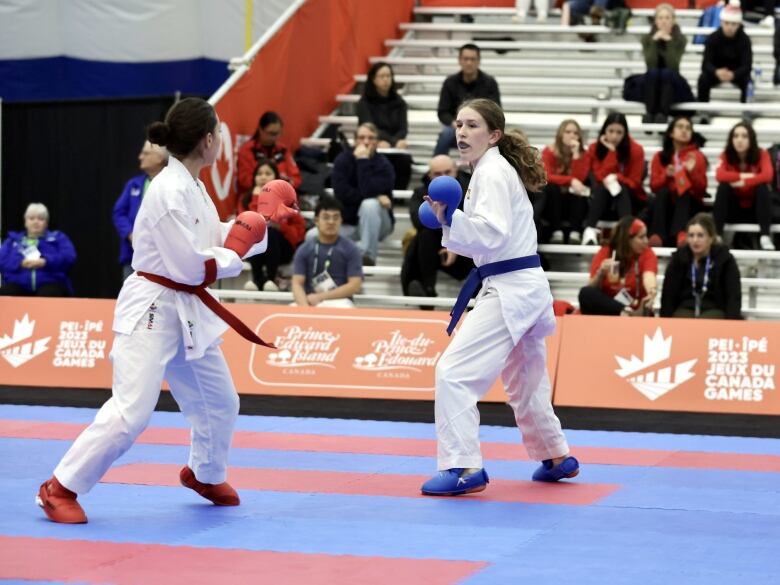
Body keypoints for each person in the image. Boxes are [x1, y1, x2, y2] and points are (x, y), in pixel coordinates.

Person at [36, 97, 271, 524]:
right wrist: (236, 255)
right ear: (207, 140)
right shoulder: (167, 189)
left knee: (221, 401)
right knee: (132, 411)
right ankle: (59, 486)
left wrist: (255, 225)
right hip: (153, 306)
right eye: (217, 131)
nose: (219, 137)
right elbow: (191, 265)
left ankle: (204, 473)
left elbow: (213, 235)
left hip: (186, 310)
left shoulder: (193, 185)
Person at [420, 98, 579, 497]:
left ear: (493, 135)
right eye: (458, 125)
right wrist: (448, 220)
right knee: (526, 380)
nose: (461, 132)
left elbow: (492, 234)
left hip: (510, 287)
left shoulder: (491, 171)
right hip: (522, 285)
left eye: (472, 125)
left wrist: (449, 219)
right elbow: (488, 236)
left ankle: (462, 466)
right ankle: (556, 455)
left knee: (453, 372)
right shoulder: (488, 171)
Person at [401, 155, 474, 300]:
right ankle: (427, 289)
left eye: (447, 172)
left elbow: (475, 222)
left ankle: (476, 293)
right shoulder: (421, 193)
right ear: (429, 175)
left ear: (456, 171)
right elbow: (418, 221)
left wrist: (454, 244)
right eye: (438, 174)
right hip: (434, 250)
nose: (443, 177)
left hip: (468, 248)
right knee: (423, 236)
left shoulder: (471, 190)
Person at [330, 123, 395, 266]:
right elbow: (342, 194)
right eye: (361, 137)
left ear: (377, 142)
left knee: (370, 205)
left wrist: (363, 161)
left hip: (379, 224)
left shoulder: (384, 165)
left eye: (371, 138)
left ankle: (368, 256)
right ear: (355, 141)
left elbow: (368, 191)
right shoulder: (342, 161)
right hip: (351, 222)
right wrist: (376, 196)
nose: (366, 142)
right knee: (312, 235)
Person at [660, 213, 742, 319]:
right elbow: (668, 295)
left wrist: (731, 325)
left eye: (700, 235)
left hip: (714, 309)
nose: (695, 240)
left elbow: (733, 295)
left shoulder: (725, 259)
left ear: (711, 238)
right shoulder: (679, 259)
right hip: (685, 309)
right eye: (691, 235)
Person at [581, 113, 646, 245]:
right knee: (606, 186)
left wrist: (618, 177)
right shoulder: (594, 148)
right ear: (604, 131)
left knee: (616, 185)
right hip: (602, 199)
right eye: (611, 131)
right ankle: (589, 230)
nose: (614, 136)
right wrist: (612, 152)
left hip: (630, 199)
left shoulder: (637, 150)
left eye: (619, 132)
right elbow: (598, 178)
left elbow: (635, 183)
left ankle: (626, 232)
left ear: (625, 133)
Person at [242, 158, 305, 291]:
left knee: (271, 233)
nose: (263, 177)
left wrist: (281, 227)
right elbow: (246, 225)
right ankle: (257, 280)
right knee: (259, 233)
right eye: (259, 174)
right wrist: (258, 199)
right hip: (256, 249)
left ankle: (271, 279)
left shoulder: (289, 199)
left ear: (276, 177)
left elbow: (298, 233)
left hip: (283, 248)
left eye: (268, 173)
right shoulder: (247, 198)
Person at [713, 121, 775, 250]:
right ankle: (717, 235)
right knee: (723, 187)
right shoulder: (726, 155)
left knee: (762, 187)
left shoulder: (761, 153)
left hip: (755, 210)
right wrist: (745, 176)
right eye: (735, 136)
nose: (739, 140)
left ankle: (765, 235)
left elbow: (768, 176)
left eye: (744, 136)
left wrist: (744, 183)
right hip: (734, 209)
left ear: (751, 139)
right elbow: (719, 176)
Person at [647, 116, 708, 248]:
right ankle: (657, 236)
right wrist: (666, 176)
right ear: (671, 133)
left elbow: (701, 190)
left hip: (689, 206)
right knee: (662, 192)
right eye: (680, 127)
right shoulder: (660, 156)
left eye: (688, 128)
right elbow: (653, 187)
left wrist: (691, 173)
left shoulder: (697, 156)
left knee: (684, 192)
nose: (684, 131)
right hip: (666, 207)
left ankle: (682, 234)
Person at [291, 196, 363, 308]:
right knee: (292, 310)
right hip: (309, 301)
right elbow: (297, 283)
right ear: (316, 221)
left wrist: (321, 297)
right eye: (326, 217)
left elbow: (354, 285)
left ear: (341, 221)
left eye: (335, 218)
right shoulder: (304, 249)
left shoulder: (351, 249)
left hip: (339, 301)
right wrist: (304, 308)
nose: (331, 222)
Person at [579, 216, 658, 316]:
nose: (646, 241)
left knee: (648, 310)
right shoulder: (605, 252)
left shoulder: (647, 253)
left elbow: (649, 276)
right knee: (585, 293)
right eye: (641, 237)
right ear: (627, 239)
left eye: (646, 236)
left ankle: (627, 313)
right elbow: (590, 287)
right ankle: (625, 312)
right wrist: (601, 273)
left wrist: (652, 291)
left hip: (638, 310)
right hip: (610, 310)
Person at [113, 141, 168, 279]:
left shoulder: (172, 185)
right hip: (132, 256)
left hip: (162, 258)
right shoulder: (134, 184)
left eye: (146, 153)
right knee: (131, 298)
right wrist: (130, 234)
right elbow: (118, 213)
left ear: (160, 158)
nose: (140, 157)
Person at [434, 44, 501, 156]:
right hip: (456, 127)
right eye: (466, 59)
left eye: (473, 59)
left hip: (481, 128)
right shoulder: (450, 82)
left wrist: (478, 125)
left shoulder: (490, 83)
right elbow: (443, 111)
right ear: (459, 60)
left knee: (497, 136)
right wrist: (456, 124)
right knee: (445, 134)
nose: (469, 63)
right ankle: (437, 168)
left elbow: (496, 111)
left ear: (478, 61)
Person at [0, 202, 76, 297]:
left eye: (40, 219)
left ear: (46, 223)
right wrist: (20, 263)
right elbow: (2, 261)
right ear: (25, 222)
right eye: (31, 218)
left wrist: (45, 261)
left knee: (49, 293)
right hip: (18, 283)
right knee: (5, 293)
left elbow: (69, 257)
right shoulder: (12, 240)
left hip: (51, 283)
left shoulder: (58, 238)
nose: (36, 222)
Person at [541, 119, 592, 244]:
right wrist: (570, 180)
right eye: (568, 132)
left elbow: (580, 180)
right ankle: (556, 231)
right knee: (551, 187)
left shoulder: (584, 154)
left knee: (578, 190)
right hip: (555, 202)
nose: (572, 135)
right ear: (560, 134)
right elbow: (546, 176)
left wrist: (576, 155)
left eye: (575, 133)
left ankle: (575, 232)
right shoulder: (549, 151)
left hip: (575, 202)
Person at [640, 4, 690, 124]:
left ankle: (662, 114)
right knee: (653, 72)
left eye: (667, 18)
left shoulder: (681, 39)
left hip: (673, 81)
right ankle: (650, 113)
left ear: (673, 20)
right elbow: (650, 63)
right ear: (655, 21)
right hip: (653, 80)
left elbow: (673, 64)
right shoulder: (647, 39)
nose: (664, 21)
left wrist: (669, 42)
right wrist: (654, 41)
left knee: (667, 73)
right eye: (660, 18)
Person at [697, 1, 753, 103]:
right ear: (721, 22)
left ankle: (746, 112)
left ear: (739, 24)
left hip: (737, 74)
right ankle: (703, 111)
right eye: (727, 23)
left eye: (734, 24)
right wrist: (716, 72)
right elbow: (706, 64)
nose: (730, 27)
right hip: (717, 73)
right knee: (703, 79)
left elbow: (747, 65)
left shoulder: (745, 39)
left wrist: (733, 74)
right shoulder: (713, 38)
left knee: (748, 81)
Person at [237, 111, 302, 194]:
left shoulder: (283, 150)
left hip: (282, 196)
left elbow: (296, 178)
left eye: (278, 133)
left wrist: (284, 186)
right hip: (255, 198)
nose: (275, 137)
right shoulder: (247, 150)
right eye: (271, 133)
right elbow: (244, 179)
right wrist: (270, 187)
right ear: (260, 130)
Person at [356, 62, 408, 149]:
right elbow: (369, 128)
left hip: (396, 145)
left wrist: (394, 142)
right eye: (382, 76)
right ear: (373, 79)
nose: (385, 79)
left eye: (388, 76)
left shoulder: (400, 102)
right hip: (372, 144)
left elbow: (403, 129)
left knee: (403, 157)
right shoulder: (365, 103)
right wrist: (389, 141)